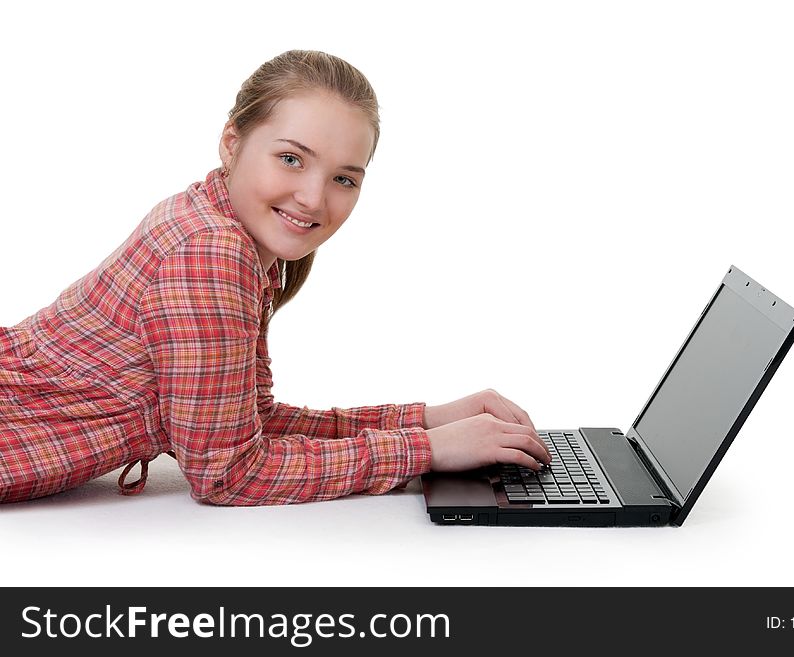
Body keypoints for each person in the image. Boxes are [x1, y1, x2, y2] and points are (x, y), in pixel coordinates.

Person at [0, 49, 551, 506]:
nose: (314, 197)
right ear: (232, 142)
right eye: (291, 159)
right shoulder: (209, 253)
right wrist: (427, 450)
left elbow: (245, 421)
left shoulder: (221, 227)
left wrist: (430, 420)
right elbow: (230, 472)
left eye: (343, 177)